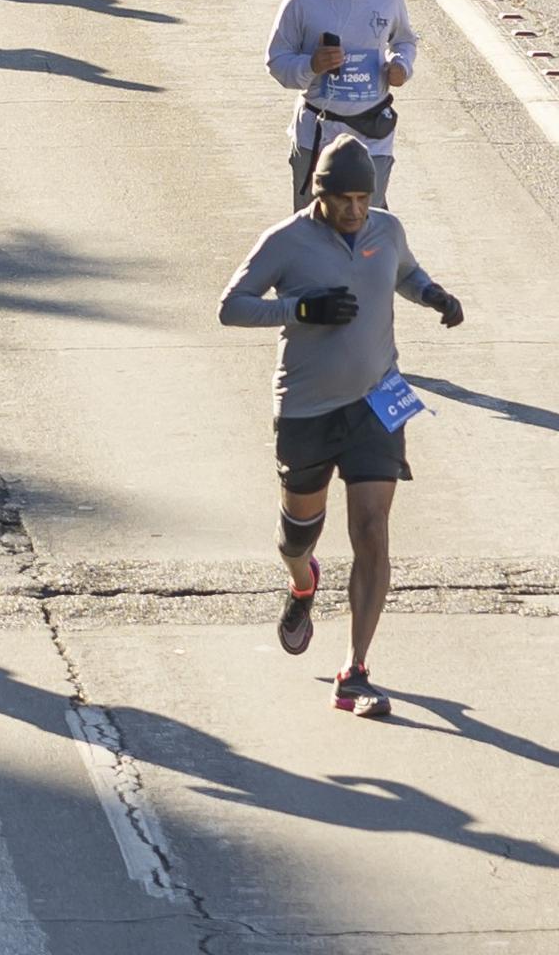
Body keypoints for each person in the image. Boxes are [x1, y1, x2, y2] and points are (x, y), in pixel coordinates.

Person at [218, 137, 463, 717]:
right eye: (343, 198)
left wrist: (432, 294)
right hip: (307, 407)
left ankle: (355, 669)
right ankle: (303, 583)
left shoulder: (387, 229)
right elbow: (231, 306)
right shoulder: (286, 242)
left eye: (362, 197)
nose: (355, 209)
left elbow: (405, 270)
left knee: (373, 529)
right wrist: (300, 309)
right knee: (297, 537)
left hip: (379, 398)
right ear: (317, 192)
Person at [266, 0, 418, 211]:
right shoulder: (302, 0)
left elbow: (404, 41)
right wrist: (311, 65)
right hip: (318, 133)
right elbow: (277, 61)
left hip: (372, 132)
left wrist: (401, 66)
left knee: (368, 223)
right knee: (313, 229)